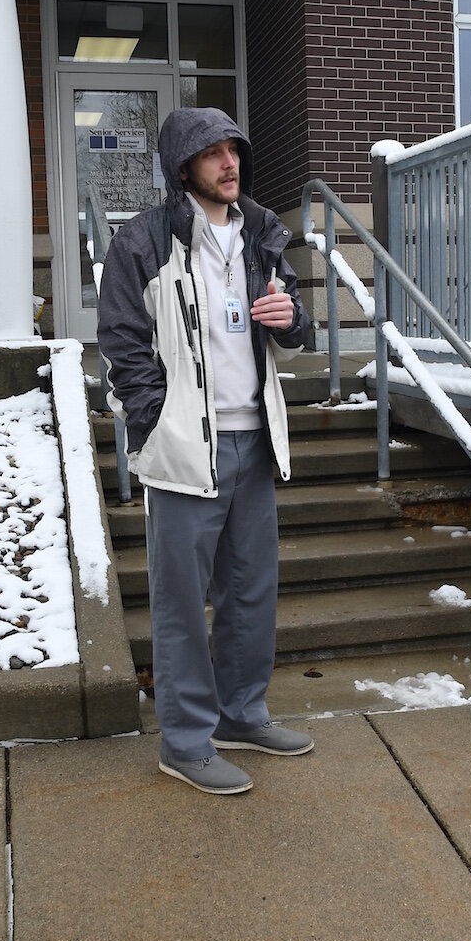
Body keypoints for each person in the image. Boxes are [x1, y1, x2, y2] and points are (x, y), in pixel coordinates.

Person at [98, 107, 313, 796]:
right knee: (183, 602)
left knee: (251, 591)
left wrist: (293, 319)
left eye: (233, 150)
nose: (229, 163)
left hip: (254, 438)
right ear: (182, 165)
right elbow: (122, 342)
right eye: (212, 152)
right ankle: (185, 740)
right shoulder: (143, 242)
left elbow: (293, 323)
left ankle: (240, 713)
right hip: (187, 446)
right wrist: (157, 418)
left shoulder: (261, 237)